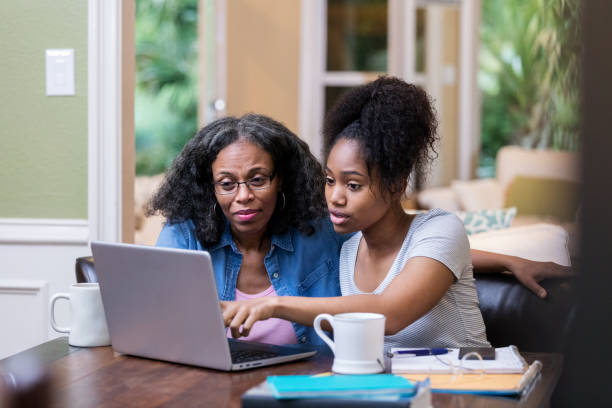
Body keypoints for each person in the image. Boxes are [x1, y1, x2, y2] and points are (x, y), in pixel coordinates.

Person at [221, 77, 490, 349]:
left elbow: (390, 312)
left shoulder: (441, 229)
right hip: (389, 388)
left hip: (467, 381)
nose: (335, 197)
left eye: (353, 185)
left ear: (396, 185)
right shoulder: (347, 250)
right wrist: (507, 262)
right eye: (329, 180)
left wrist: (273, 305)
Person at [148, 114, 349, 346]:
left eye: (257, 180)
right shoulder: (183, 236)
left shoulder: (325, 233)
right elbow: (160, 326)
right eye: (226, 184)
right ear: (210, 186)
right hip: (209, 380)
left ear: (281, 179)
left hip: (308, 380)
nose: (243, 196)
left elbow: (370, 309)